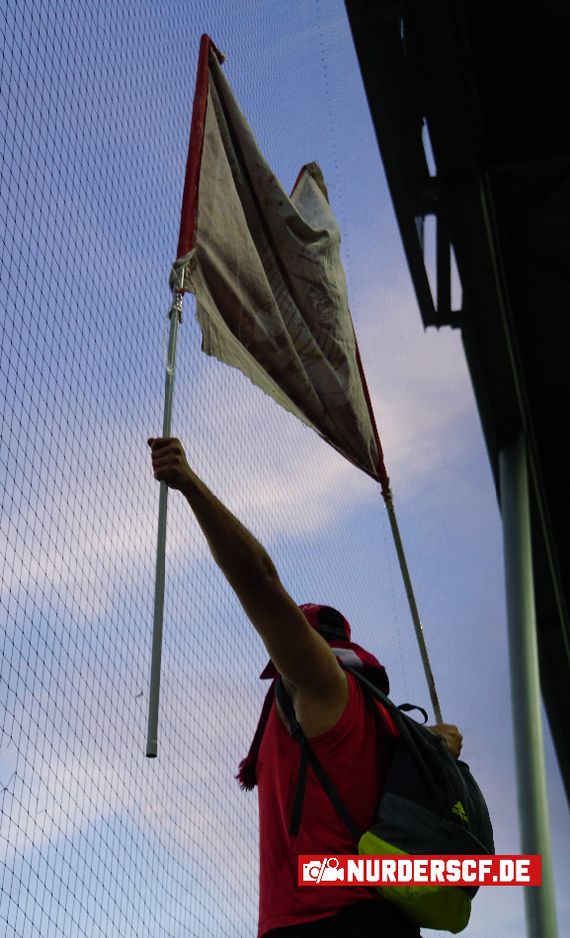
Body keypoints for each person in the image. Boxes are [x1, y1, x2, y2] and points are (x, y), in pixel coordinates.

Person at [148, 437, 463, 937]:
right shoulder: (391, 726)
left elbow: (260, 583)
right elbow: (441, 744)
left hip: (322, 919)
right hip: (388, 919)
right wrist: (441, 742)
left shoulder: (319, 685)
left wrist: (190, 484)